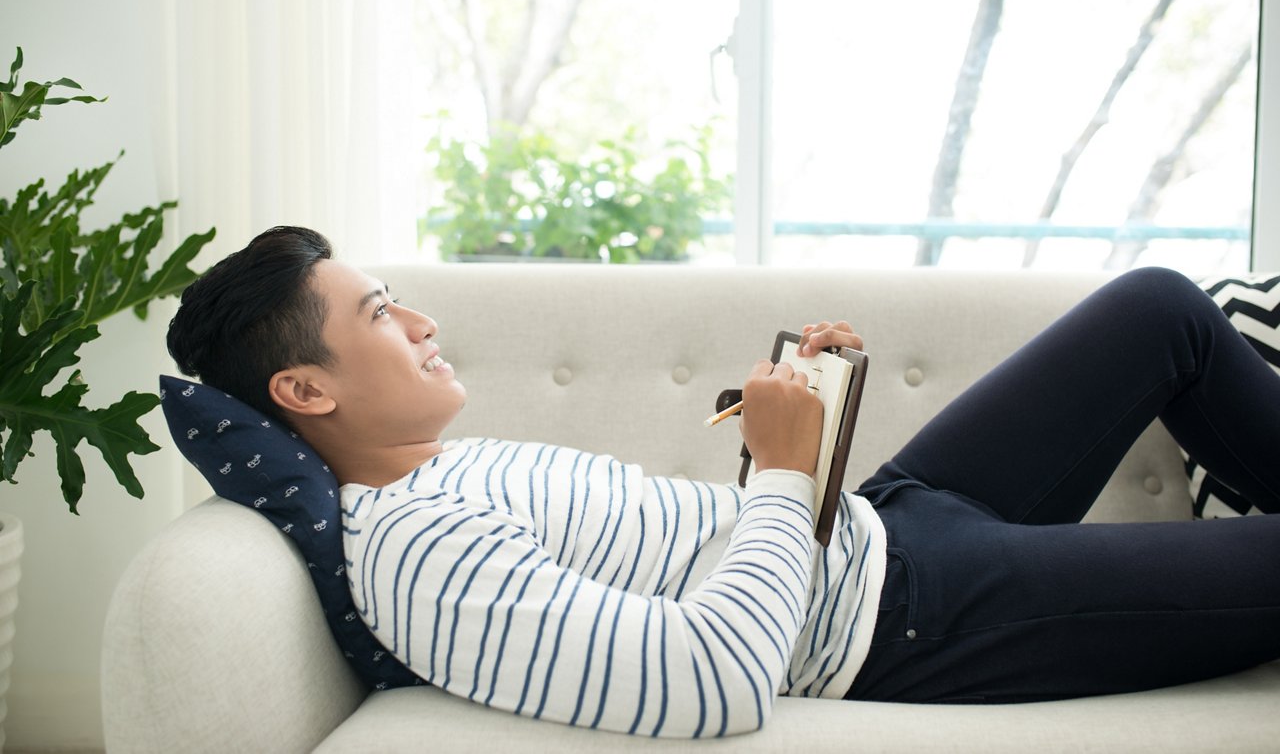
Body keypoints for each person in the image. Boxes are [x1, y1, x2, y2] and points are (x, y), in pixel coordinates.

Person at [166, 226, 1280, 738]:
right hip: (902, 622)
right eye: (378, 315)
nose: (421, 321)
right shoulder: (416, 557)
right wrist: (783, 476)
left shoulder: (453, 470)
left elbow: (696, 562)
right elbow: (711, 681)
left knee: (1156, 308)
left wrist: (792, 436)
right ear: (305, 392)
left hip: (887, 523)